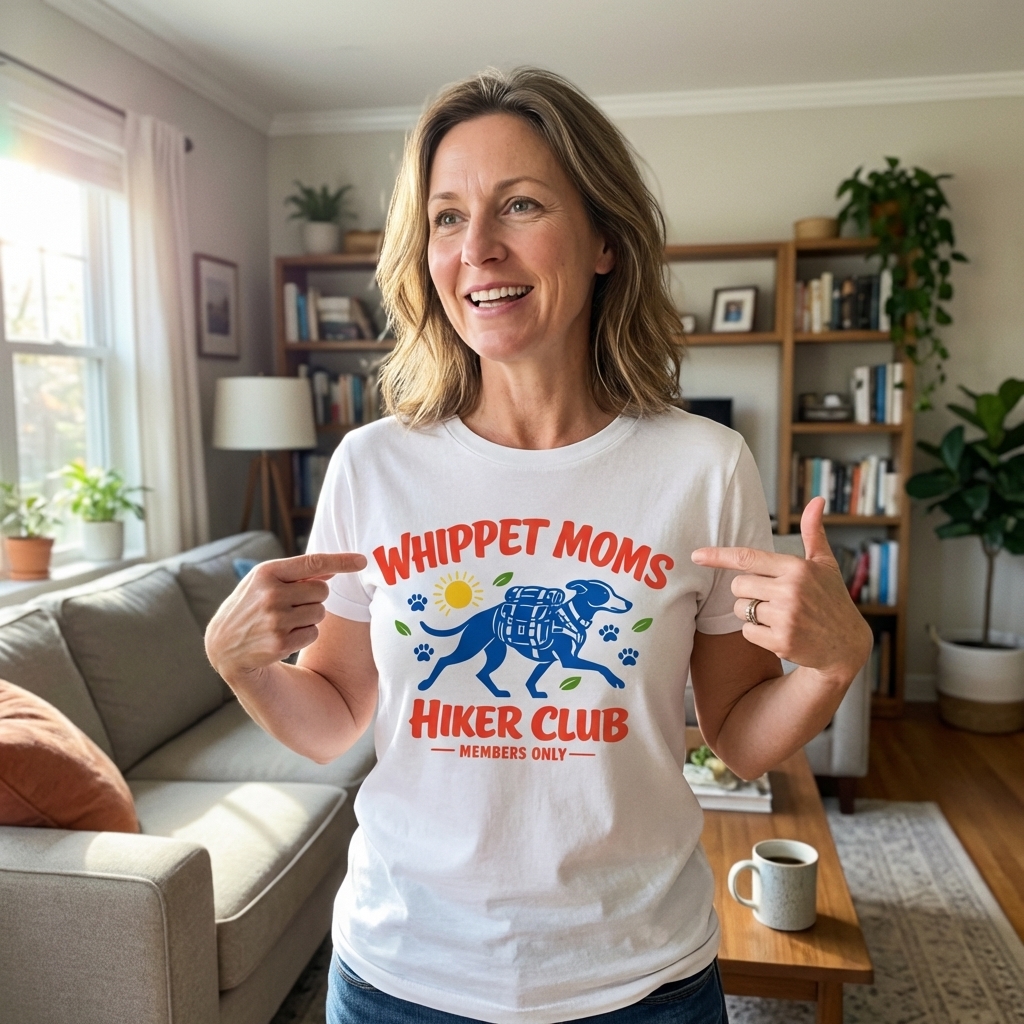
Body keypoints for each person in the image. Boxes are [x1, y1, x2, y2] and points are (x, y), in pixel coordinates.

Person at [205, 67, 872, 1024]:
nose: (477, 247)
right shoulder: (371, 466)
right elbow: (333, 717)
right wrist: (240, 665)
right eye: (446, 217)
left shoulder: (704, 465)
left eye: (519, 204)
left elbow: (734, 734)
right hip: (404, 973)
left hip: (640, 979)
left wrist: (833, 666)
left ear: (605, 240)